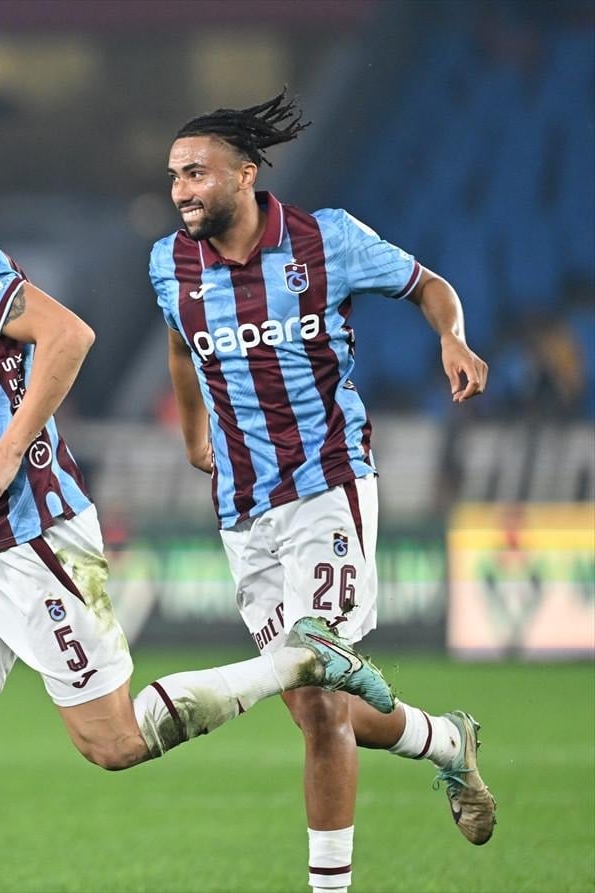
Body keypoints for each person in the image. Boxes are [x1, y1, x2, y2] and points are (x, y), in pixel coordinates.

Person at [0, 148, 396, 893]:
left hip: (37, 534)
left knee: (114, 743)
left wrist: (11, 450)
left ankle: (298, 662)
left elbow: (68, 335)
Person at [150, 91, 497, 893]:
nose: (181, 190)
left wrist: (453, 337)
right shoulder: (170, 263)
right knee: (318, 704)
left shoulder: (325, 239)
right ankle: (448, 741)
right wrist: (194, 431)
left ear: (245, 174)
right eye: (174, 176)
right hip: (242, 510)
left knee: (319, 675)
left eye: (197, 173)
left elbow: (428, 284)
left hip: (325, 485)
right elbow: (178, 343)